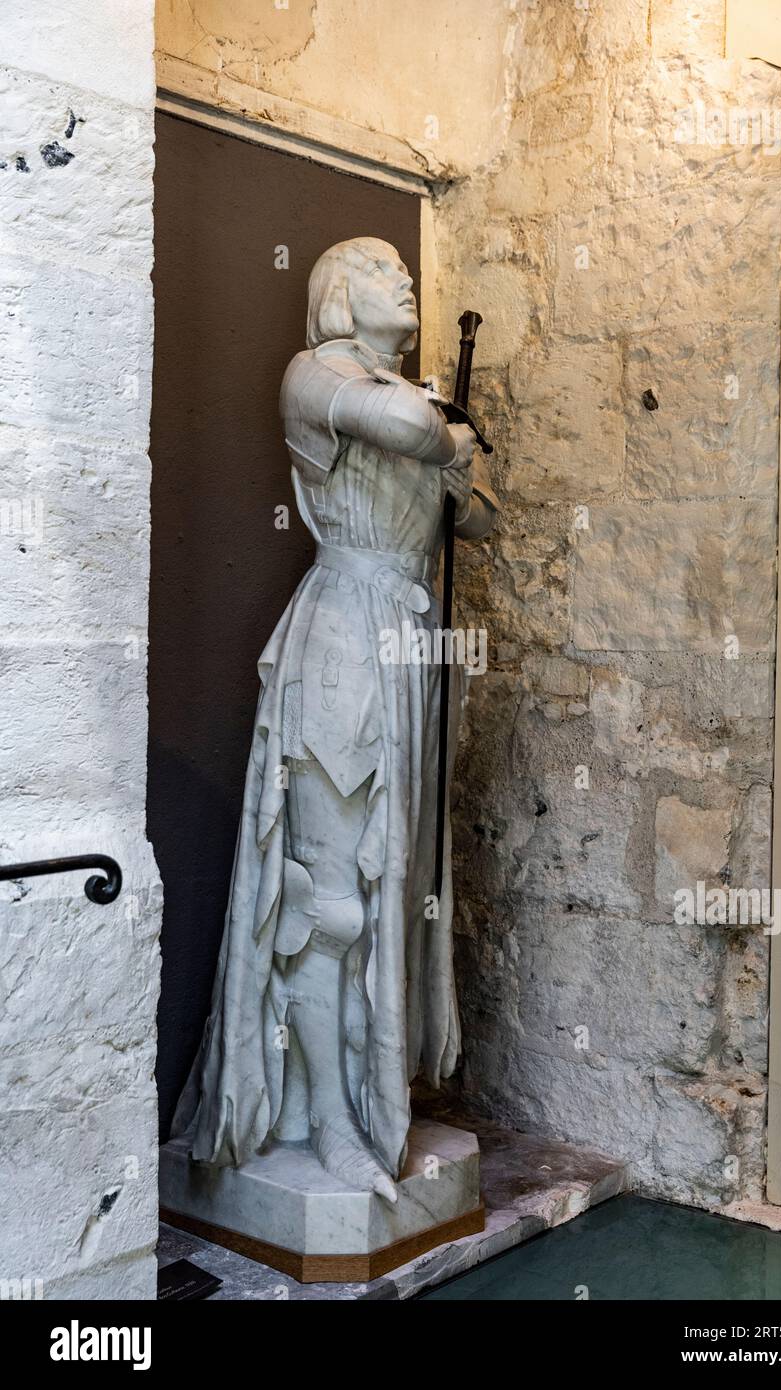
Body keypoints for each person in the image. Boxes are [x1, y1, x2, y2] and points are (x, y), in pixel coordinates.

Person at [171, 237, 498, 1202]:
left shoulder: (406, 400)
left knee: (387, 890)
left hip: (406, 646)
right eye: (381, 268)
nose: (405, 281)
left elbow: (475, 515)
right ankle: (324, 1124)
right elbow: (410, 430)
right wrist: (450, 430)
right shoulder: (312, 375)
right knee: (327, 903)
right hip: (343, 637)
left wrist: (452, 449)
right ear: (338, 297)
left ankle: (366, 1091)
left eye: (408, 269)